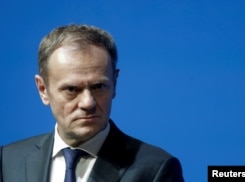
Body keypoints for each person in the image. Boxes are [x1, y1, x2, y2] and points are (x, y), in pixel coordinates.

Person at [0, 24, 184, 182]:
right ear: (43, 90)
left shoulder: (155, 169)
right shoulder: (7, 160)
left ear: (115, 83)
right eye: (72, 89)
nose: (88, 103)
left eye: (98, 86)